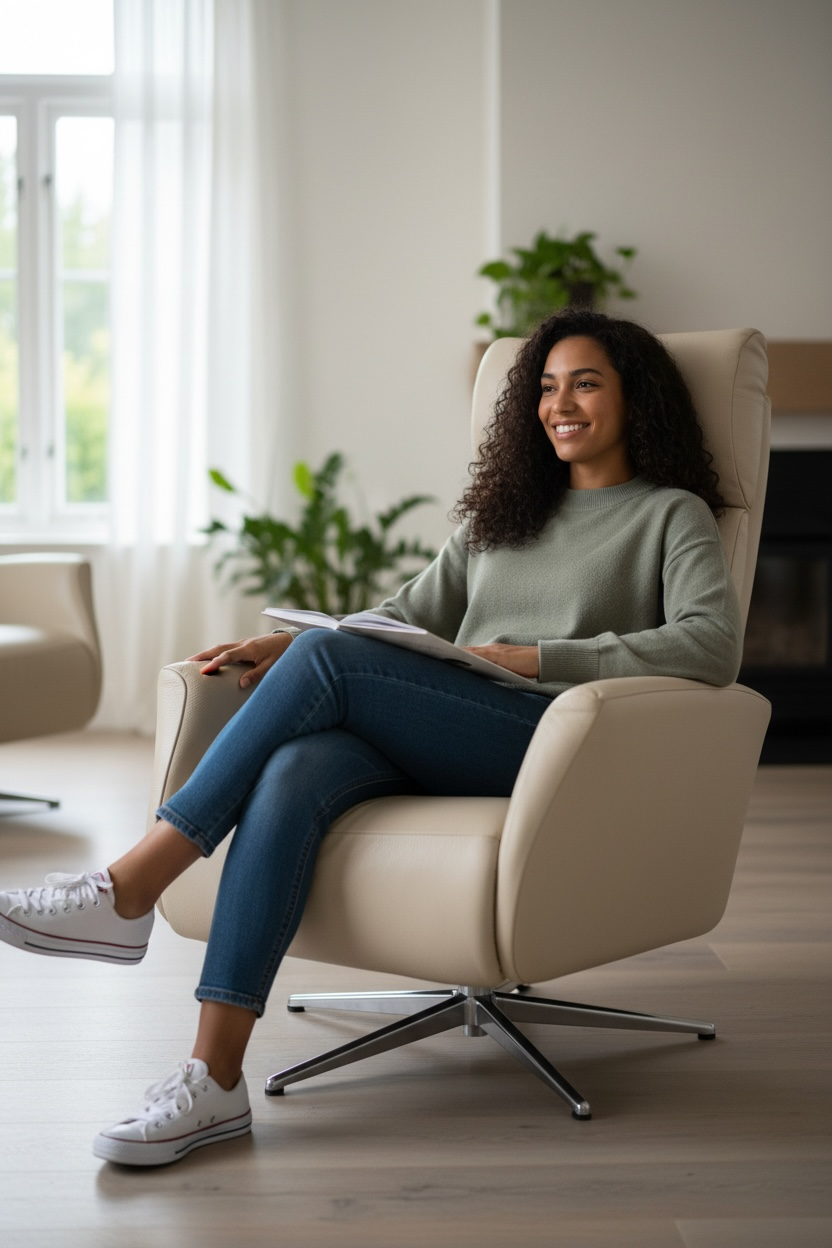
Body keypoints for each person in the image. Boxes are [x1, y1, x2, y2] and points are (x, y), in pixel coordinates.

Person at [0, 309, 743, 1167]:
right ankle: (213, 1082)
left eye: (585, 383)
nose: (560, 404)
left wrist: (533, 655)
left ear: (634, 399)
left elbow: (710, 644)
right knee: (294, 767)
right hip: (450, 726)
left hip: (550, 741)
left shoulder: (669, 514)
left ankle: (129, 889)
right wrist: (282, 644)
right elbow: (395, 621)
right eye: (545, 387)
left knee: (327, 666)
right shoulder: (502, 518)